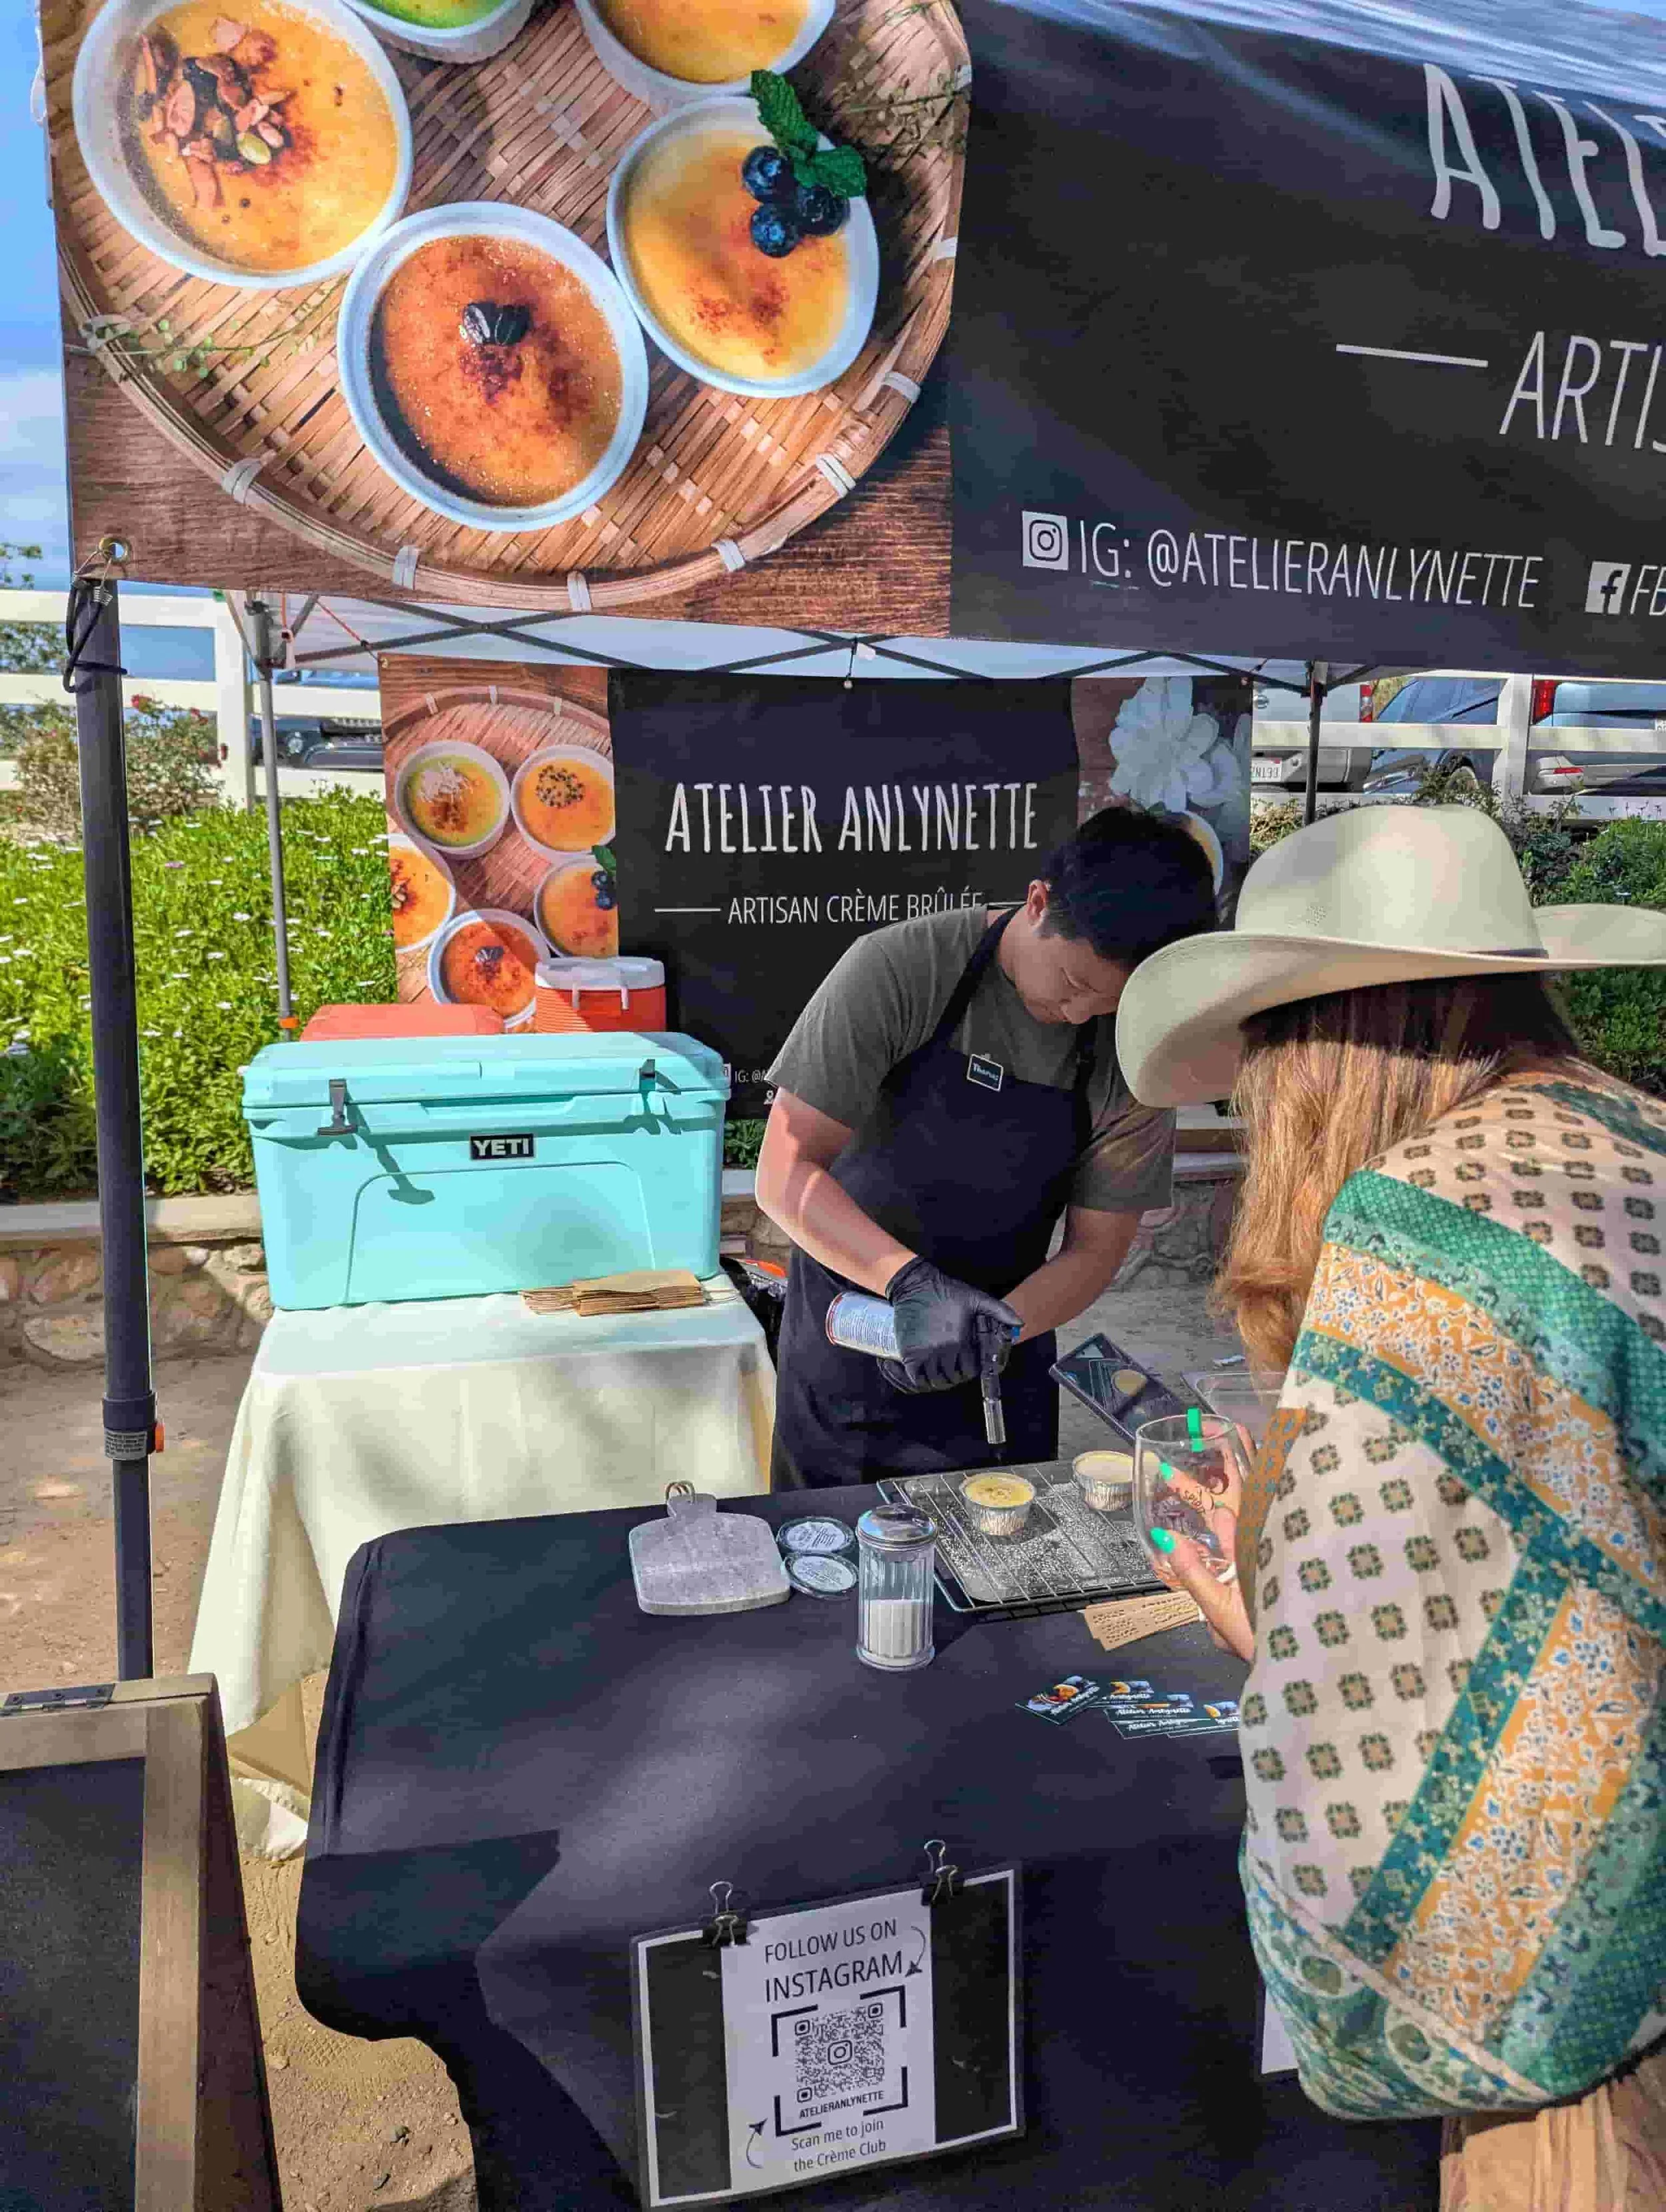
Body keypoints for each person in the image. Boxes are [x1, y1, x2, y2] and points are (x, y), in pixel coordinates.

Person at [1114, 804, 1666, 2205]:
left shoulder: (1415, 1229)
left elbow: (1381, 1711)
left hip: (1584, 2026)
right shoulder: (1637, 1148)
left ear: (1316, 1050)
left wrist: (1256, 1616)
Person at [756, 806, 1217, 1486]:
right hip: (853, 1329)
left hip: (1008, 1344)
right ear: (1038, 902)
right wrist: (910, 1283)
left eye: (1109, 1002)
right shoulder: (901, 969)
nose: (1081, 1014)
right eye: (1074, 983)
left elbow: (1095, 1248)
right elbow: (785, 1171)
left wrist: (992, 1332)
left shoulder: (1133, 1054)